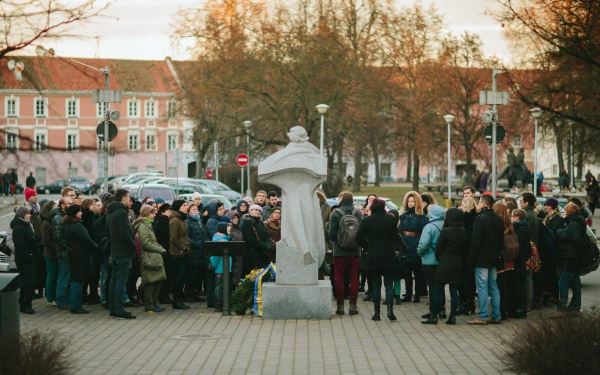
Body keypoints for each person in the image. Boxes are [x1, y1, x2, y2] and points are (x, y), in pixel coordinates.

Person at [356, 199, 401, 321]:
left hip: (373, 254)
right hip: (388, 254)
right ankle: (390, 311)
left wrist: (367, 245)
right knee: (388, 284)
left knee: (376, 284)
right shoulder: (390, 220)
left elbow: (358, 237)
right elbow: (395, 237)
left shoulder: (367, 220)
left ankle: (376, 313)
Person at [467, 194, 503, 325]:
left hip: (481, 259)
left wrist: (471, 260)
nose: (478, 204)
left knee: (482, 287)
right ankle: (497, 315)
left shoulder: (479, 219)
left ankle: (482, 316)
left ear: (485, 204)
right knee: (493, 286)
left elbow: (475, 242)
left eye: (480, 202)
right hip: (493, 258)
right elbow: (500, 240)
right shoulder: (498, 219)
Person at [328, 191, 363, 316]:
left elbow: (331, 232)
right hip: (355, 251)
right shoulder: (358, 212)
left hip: (339, 252)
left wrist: (338, 242)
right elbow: (362, 231)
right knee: (354, 278)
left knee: (339, 278)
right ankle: (353, 306)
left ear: (341, 199)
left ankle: (340, 306)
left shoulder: (336, 213)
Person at [431, 207, 467, 325]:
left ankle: (434, 315)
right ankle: (452, 316)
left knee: (438, 289)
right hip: (458, 263)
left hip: (445, 262)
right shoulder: (463, 230)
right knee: (453, 291)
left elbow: (439, 247)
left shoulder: (446, 231)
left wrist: (438, 256)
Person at [107, 189, 137, 319]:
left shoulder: (112, 212)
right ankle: (119, 309)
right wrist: (133, 245)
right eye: (128, 197)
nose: (129, 199)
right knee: (120, 281)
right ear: (123, 198)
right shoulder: (121, 212)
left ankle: (113, 308)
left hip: (115, 251)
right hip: (123, 252)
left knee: (114, 281)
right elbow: (124, 233)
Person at [64, 204, 98, 314]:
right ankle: (75, 306)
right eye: (79, 211)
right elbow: (87, 240)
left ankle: (76, 304)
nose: (81, 213)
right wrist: (97, 248)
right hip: (80, 256)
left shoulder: (68, 224)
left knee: (76, 280)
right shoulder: (76, 226)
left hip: (73, 254)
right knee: (78, 281)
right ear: (74, 214)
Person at [134, 205, 167, 313]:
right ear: (146, 214)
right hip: (149, 258)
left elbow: (152, 241)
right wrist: (160, 249)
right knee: (150, 283)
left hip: (153, 257)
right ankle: (150, 305)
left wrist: (159, 247)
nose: (154, 215)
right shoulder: (143, 226)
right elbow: (146, 243)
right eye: (152, 213)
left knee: (157, 280)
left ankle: (154, 302)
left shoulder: (148, 224)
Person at [417, 204, 446, 324]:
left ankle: (433, 314)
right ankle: (441, 310)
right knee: (440, 286)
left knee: (432, 288)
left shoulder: (429, 227)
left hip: (429, 261)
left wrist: (419, 252)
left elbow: (423, 245)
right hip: (441, 260)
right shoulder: (445, 225)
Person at [398, 191, 428, 304]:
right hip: (405, 245)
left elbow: (424, 232)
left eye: (413, 201)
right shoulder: (403, 216)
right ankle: (408, 294)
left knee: (418, 273)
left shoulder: (422, 217)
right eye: (409, 201)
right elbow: (400, 229)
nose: (410, 203)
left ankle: (417, 294)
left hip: (416, 245)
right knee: (406, 273)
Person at [557, 203, 585, 312]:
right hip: (575, 256)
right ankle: (576, 305)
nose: (564, 211)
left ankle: (563, 306)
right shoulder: (577, 221)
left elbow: (575, 240)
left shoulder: (573, 224)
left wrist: (560, 233)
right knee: (575, 281)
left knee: (563, 281)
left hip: (571, 257)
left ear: (570, 212)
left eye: (565, 210)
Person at [538, 198, 565, 307]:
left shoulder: (557, 219)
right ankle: (547, 296)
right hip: (547, 252)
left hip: (553, 252)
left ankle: (554, 298)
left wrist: (544, 227)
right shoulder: (547, 217)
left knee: (553, 276)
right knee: (547, 276)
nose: (545, 207)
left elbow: (553, 234)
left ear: (551, 206)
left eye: (546, 205)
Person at [12, 206, 37, 314]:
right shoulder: (19, 227)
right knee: (28, 282)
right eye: (28, 213)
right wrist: (29, 256)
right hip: (24, 259)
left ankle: (25, 303)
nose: (30, 215)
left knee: (27, 282)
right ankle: (25, 304)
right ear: (22, 214)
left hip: (29, 258)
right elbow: (20, 245)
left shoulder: (26, 225)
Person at [169, 199, 191, 310]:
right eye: (184, 205)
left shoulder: (181, 219)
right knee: (177, 279)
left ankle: (179, 300)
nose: (186, 207)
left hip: (182, 253)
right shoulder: (175, 220)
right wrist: (183, 248)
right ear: (178, 207)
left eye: (187, 205)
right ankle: (176, 301)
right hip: (176, 254)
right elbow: (173, 239)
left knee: (181, 278)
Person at [510, 208, 532, 318]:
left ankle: (520, 309)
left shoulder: (518, 229)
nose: (510, 218)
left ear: (517, 217)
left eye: (512, 216)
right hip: (523, 260)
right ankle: (522, 308)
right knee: (521, 284)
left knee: (518, 285)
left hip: (518, 261)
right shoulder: (526, 228)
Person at [185, 202, 209, 302]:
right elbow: (187, 237)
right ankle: (188, 294)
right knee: (191, 275)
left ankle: (194, 293)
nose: (196, 211)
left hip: (201, 253)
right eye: (194, 209)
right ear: (189, 211)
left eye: (197, 209)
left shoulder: (200, 221)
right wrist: (197, 244)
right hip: (193, 252)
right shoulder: (187, 222)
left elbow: (204, 234)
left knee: (197, 275)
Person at [51, 195, 72, 309]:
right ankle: (61, 301)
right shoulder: (59, 218)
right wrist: (69, 247)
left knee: (66, 277)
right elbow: (58, 237)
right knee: (63, 277)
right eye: (68, 204)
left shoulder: (64, 216)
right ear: (62, 205)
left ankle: (64, 300)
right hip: (63, 253)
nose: (70, 205)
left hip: (65, 251)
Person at [458, 196, 477, 315]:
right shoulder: (474, 219)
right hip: (470, 254)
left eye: (463, 205)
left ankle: (465, 303)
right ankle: (469, 303)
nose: (461, 207)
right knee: (469, 281)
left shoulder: (466, 220)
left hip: (466, 254)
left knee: (465, 280)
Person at [520, 191, 539, 309]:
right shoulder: (531, 214)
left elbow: (527, 234)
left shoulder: (528, 215)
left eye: (521, 201)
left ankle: (527, 305)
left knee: (527, 278)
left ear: (527, 203)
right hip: (532, 248)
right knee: (528, 277)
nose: (520, 203)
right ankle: (528, 304)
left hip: (529, 250)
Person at [241, 205, 273, 271]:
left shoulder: (261, 223)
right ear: (250, 211)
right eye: (256, 210)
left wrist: (269, 245)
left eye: (259, 210)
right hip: (253, 254)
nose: (258, 211)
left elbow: (266, 236)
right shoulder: (247, 223)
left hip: (263, 253)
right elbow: (250, 239)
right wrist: (264, 246)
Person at [153, 203, 173, 304]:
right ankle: (162, 295)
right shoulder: (162, 221)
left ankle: (164, 295)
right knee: (165, 274)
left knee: (168, 274)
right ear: (163, 212)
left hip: (166, 250)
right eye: (169, 211)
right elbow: (165, 236)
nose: (170, 213)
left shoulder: (165, 221)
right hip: (164, 251)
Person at [211, 222, 232, 312]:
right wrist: (213, 266)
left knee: (221, 286)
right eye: (228, 229)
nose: (229, 230)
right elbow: (215, 256)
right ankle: (219, 305)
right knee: (219, 287)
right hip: (220, 268)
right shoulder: (221, 241)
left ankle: (222, 304)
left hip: (225, 268)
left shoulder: (224, 239)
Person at [40, 201, 57, 306]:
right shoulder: (46, 223)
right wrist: (56, 248)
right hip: (50, 253)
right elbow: (46, 240)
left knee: (54, 275)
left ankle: (53, 296)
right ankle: (50, 298)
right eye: (54, 208)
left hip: (54, 252)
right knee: (51, 275)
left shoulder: (52, 221)